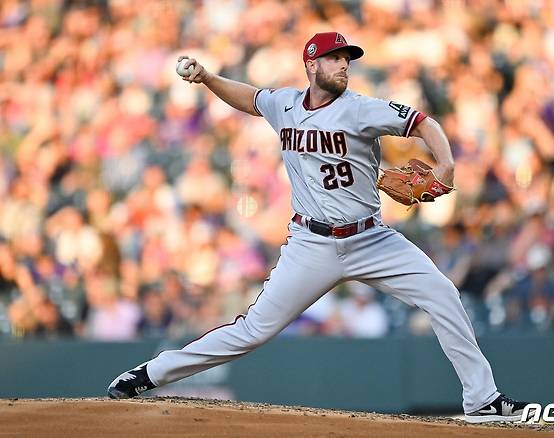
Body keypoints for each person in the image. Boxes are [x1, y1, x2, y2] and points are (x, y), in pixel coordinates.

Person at [107, 32, 528, 423]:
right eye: (335, 58)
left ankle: (482, 399)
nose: (344, 65)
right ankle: (151, 373)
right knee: (252, 331)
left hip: (371, 237)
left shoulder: (361, 107)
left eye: (347, 59)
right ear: (312, 64)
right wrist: (208, 78)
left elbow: (422, 123)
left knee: (442, 294)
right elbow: (250, 98)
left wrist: (446, 163)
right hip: (311, 244)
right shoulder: (284, 104)